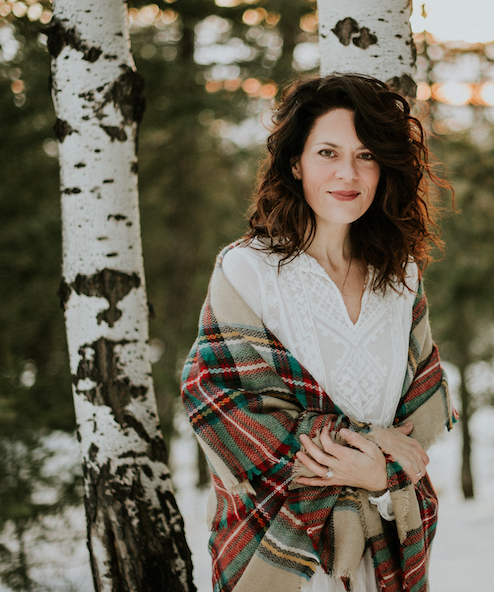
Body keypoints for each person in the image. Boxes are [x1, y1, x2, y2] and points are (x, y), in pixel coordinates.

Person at [181, 73, 454, 592]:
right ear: (295, 162)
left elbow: (416, 431)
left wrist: (383, 477)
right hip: (283, 551)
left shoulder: (401, 279)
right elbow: (224, 409)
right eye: (328, 152)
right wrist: (373, 445)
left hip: (382, 551)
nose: (347, 173)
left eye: (366, 154)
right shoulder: (247, 271)